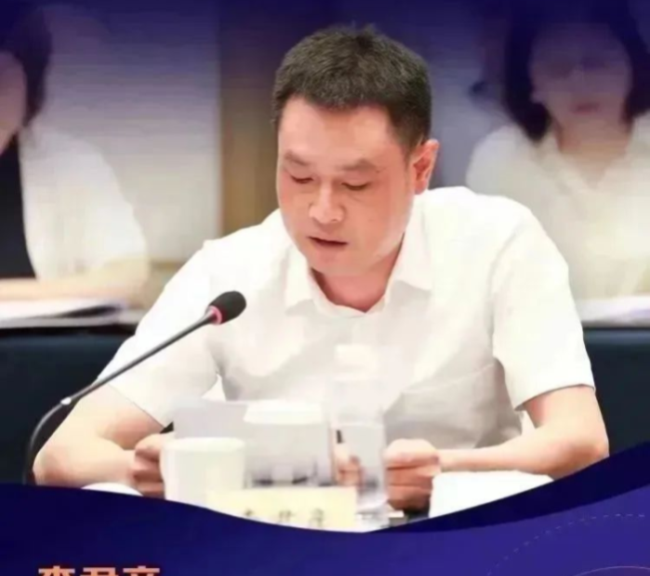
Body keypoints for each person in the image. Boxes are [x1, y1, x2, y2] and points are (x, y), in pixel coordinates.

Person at [34, 26, 607, 511]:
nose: (322, 211)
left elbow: (581, 440)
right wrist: (145, 471)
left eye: (356, 184)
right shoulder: (228, 276)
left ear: (421, 168)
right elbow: (61, 454)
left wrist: (442, 470)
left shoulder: (497, 242)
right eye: (300, 176)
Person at [467, 0, 650, 300]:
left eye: (596, 63)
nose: (580, 82)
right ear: (531, 83)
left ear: (631, 67)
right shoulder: (499, 160)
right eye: (557, 68)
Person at [0, 0, 148, 303]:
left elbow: (128, 273)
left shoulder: (71, 162)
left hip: (40, 334)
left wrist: (9, 294)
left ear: (29, 84)